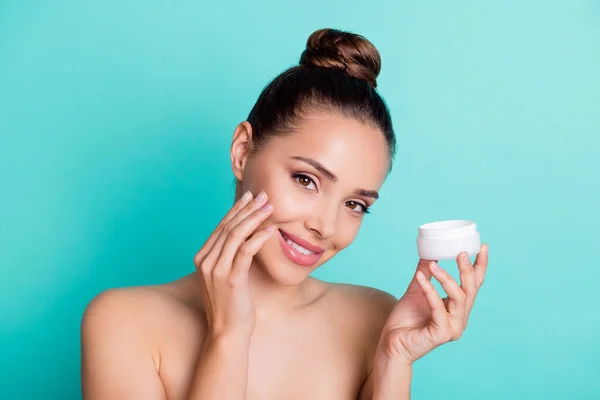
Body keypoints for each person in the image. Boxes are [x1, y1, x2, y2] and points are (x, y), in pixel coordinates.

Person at [80, 27, 489, 399]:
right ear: (242, 151)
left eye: (355, 204)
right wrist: (229, 336)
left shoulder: (376, 321)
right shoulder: (123, 323)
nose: (324, 226)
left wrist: (394, 359)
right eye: (306, 180)